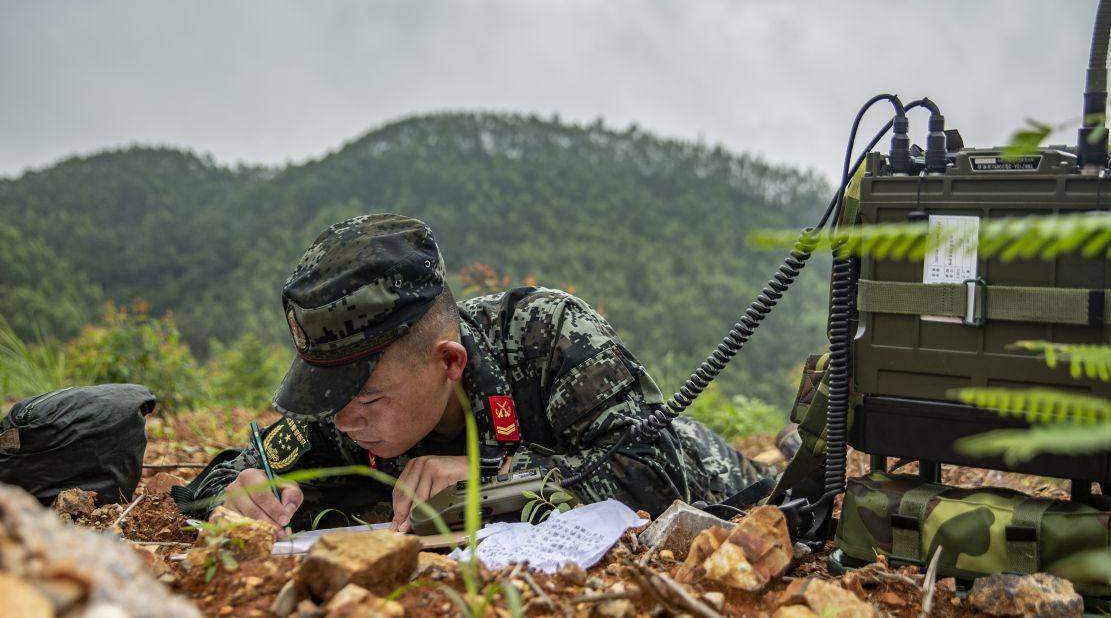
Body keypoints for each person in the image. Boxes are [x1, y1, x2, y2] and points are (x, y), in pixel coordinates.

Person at [185, 214, 766, 536]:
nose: (342, 419)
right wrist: (238, 501)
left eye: (366, 399)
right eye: (328, 395)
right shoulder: (345, 410)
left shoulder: (547, 334)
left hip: (719, 473)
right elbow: (224, 476)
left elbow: (654, 473)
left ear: (449, 362)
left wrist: (492, 471)